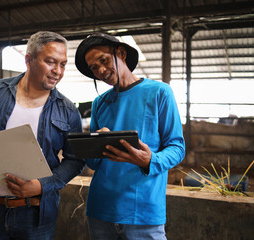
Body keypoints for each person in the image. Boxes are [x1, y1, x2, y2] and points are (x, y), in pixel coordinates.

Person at [0, 31, 85, 240]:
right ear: (29, 60)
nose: (58, 71)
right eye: (51, 62)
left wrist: (41, 185)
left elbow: (75, 160)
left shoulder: (68, 110)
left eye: (62, 64)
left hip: (36, 217)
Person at [75, 33, 186, 239]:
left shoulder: (159, 92)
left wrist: (150, 159)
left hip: (143, 210)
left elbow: (177, 147)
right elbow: (94, 164)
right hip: (101, 208)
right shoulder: (100, 103)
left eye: (104, 60)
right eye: (93, 67)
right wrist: (93, 143)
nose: (100, 70)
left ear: (121, 53)